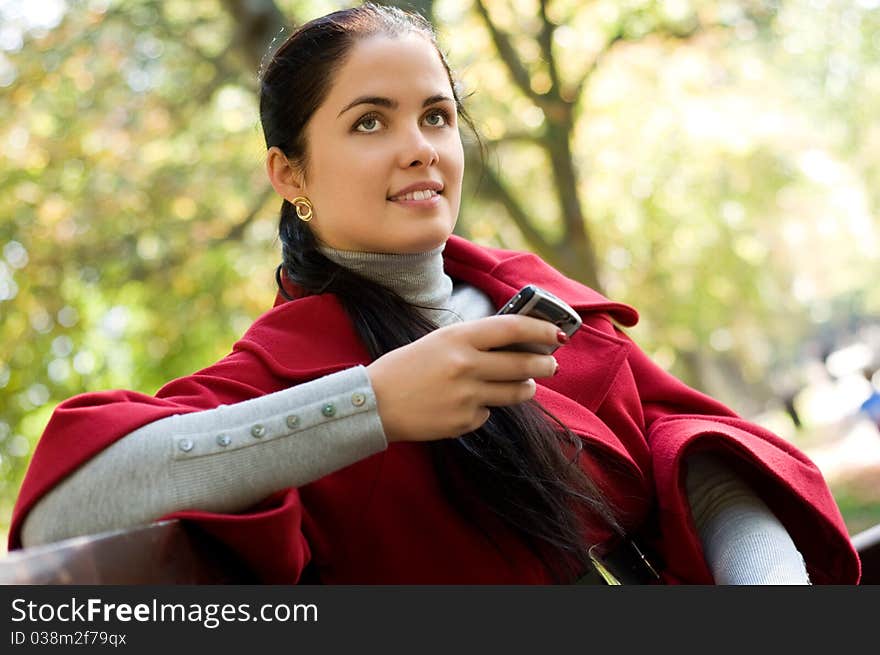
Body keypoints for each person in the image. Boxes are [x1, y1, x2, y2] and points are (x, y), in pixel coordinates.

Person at [9, 3, 859, 585]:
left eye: (437, 116)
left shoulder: (537, 299)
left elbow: (695, 451)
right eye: (370, 122)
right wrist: (377, 401)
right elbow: (62, 511)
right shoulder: (288, 364)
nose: (419, 147)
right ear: (290, 173)